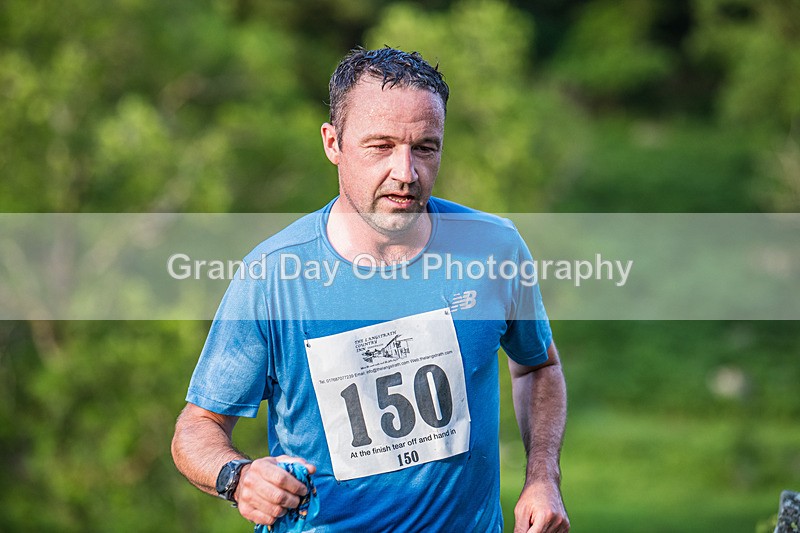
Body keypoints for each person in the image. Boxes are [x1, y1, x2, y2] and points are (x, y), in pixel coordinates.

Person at [171, 46, 569, 533]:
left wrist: (542, 476)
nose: (406, 173)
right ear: (333, 143)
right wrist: (238, 477)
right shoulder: (272, 278)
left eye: (425, 147)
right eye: (380, 146)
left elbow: (538, 367)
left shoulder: (494, 249)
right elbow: (197, 428)